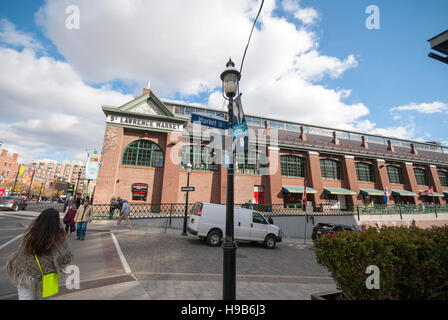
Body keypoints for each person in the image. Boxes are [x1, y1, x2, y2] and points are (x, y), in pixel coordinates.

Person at [6, 208, 73, 300]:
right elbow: (66, 256)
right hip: (46, 276)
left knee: (25, 298)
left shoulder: (30, 234)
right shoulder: (59, 237)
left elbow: (21, 253)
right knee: (46, 298)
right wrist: (57, 264)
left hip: (26, 273)